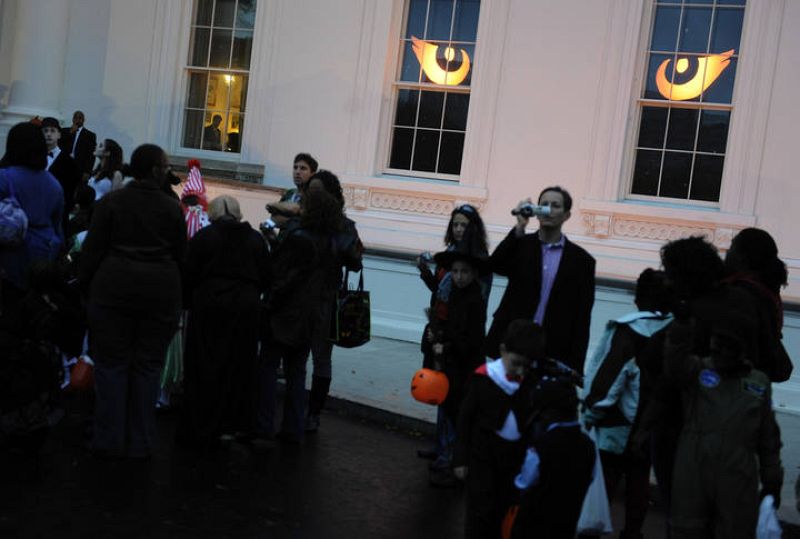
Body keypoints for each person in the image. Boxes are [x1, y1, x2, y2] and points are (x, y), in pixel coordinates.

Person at [79, 143, 186, 459]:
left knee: (111, 365)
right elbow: (182, 257)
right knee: (147, 367)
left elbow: (92, 252)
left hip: (114, 290)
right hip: (159, 294)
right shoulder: (171, 208)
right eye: (164, 166)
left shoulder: (113, 202)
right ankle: (140, 439)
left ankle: (108, 436)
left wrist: (86, 288)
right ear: (155, 169)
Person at [664, 311, 783, 539]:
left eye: (725, 345)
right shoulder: (697, 370)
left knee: (734, 531)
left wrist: (772, 480)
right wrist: (681, 325)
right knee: (687, 530)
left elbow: (768, 438)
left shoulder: (757, 383)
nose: (717, 350)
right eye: (715, 342)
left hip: (737, 476)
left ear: (741, 348)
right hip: (694, 470)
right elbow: (674, 364)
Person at [580, 269, 673, 539]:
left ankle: (592, 530)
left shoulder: (628, 331)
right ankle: (632, 533)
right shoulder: (675, 330)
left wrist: (592, 410)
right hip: (653, 422)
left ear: (638, 297)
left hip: (618, 422)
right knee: (639, 480)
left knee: (604, 480)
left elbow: (610, 376)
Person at [177, 195, 270, 450]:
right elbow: (265, 275)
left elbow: (189, 273)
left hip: (210, 305)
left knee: (206, 364)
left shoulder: (205, 237)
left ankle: (204, 422)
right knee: (240, 365)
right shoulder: (254, 239)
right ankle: (236, 422)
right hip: (246, 307)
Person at [257, 187, 342, 444]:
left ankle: (262, 427)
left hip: (286, 314)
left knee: (268, 369)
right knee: (297, 372)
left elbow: (284, 277)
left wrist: (269, 304)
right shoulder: (330, 241)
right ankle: (293, 428)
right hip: (311, 315)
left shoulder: (299, 237)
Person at [486, 186, 595, 373]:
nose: (549, 210)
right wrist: (519, 226)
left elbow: (582, 318)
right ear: (536, 211)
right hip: (512, 344)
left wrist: (575, 366)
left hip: (552, 349)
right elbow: (495, 265)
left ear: (566, 215)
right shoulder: (521, 244)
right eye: (544, 205)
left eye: (555, 206)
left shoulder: (582, 261)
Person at [453, 320, 544, 539]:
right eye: (516, 363)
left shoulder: (531, 383)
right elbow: (465, 419)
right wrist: (460, 458)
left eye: (527, 366)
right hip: (483, 455)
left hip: (514, 458)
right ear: (503, 350)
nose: (521, 371)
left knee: (503, 511)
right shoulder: (484, 377)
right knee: (479, 512)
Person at [302, 171, 363, 432]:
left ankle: (313, 413)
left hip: (326, 299)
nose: (311, 196)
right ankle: (300, 411)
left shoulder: (343, 226)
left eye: (317, 192)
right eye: (309, 191)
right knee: (297, 357)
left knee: (321, 359)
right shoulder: (301, 221)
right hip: (301, 297)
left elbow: (355, 262)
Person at [424, 247, 489, 487]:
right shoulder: (456, 295)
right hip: (454, 365)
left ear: (473, 274)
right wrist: (437, 335)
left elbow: (471, 340)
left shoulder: (475, 301)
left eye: (464, 272)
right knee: (452, 414)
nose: (459, 276)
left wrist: (446, 345)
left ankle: (456, 466)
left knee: (459, 417)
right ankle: (450, 461)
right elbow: (450, 325)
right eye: (455, 272)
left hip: (465, 368)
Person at [510, 378, 596, 539]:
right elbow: (590, 477)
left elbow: (525, 482)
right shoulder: (588, 446)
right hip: (566, 525)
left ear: (548, 412)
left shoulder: (541, 445)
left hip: (533, 526)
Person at [0, 122, 64, 293]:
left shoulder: (5, 177)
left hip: (8, 258)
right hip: (40, 259)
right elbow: (58, 228)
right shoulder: (54, 184)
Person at [724, 227, 792, 382]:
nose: (727, 253)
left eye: (732, 248)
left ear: (743, 257)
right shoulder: (765, 291)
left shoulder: (742, 293)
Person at [41, 117, 80, 229]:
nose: (49, 134)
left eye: (52, 131)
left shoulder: (69, 162)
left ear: (59, 135)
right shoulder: (34, 157)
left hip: (57, 213)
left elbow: (70, 190)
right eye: (45, 131)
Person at [264, 153, 319, 229]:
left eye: (303, 168)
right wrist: (267, 225)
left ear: (312, 174)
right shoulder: (290, 193)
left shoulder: (314, 196)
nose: (297, 172)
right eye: (295, 167)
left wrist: (287, 220)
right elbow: (274, 218)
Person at [60, 110, 97, 177]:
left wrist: (87, 171)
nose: (77, 120)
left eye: (80, 118)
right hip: (63, 164)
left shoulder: (90, 135)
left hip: (79, 166)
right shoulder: (64, 131)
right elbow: (60, 144)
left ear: (83, 120)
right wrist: (70, 132)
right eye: (75, 117)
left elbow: (91, 155)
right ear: (72, 119)